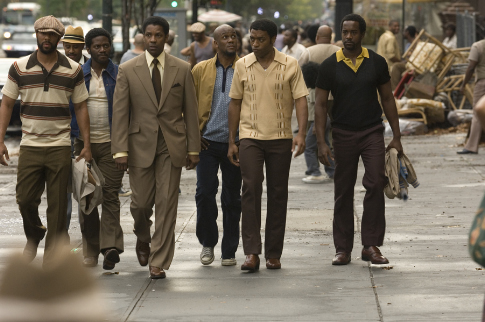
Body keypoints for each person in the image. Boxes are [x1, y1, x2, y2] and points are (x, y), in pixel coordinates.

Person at [111, 16, 200, 279]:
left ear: (166, 37)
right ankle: (142, 236)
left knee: (166, 203)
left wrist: (193, 148)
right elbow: (120, 113)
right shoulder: (128, 69)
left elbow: (191, 111)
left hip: (171, 145)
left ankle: (158, 260)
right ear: (143, 37)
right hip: (138, 145)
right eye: (148, 35)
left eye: (158, 35)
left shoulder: (182, 68)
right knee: (140, 205)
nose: (152, 40)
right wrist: (120, 150)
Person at [0, 15, 91, 268]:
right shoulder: (19, 67)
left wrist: (87, 144)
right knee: (25, 199)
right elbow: (7, 103)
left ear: (59, 38)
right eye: (43, 33)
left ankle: (51, 263)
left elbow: (81, 106)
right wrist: (0, 141)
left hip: (60, 146)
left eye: (52, 34)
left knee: (59, 207)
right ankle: (34, 233)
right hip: (30, 145)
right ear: (36, 34)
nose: (47, 38)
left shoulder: (73, 70)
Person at [314, 14, 403, 266]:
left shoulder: (376, 62)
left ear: (362, 35)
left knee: (375, 183)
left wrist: (396, 136)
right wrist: (321, 141)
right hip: (342, 134)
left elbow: (387, 99)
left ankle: (370, 245)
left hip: (372, 132)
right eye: (345, 32)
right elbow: (320, 105)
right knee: (343, 190)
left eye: (353, 32)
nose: (348, 37)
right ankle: (342, 248)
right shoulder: (330, 65)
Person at [228, 18, 308, 271]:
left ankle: (274, 253)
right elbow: (235, 103)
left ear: (274, 40)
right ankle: (252, 252)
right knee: (250, 190)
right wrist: (233, 139)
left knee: (277, 193)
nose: (255, 43)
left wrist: (301, 133)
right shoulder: (242, 65)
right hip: (250, 137)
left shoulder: (290, 64)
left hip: (280, 137)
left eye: (260, 39)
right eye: (252, 38)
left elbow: (301, 101)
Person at [69, 28, 125, 270]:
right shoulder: (78, 74)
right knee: (87, 197)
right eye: (97, 47)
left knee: (111, 195)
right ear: (88, 49)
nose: (102, 50)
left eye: (106, 46)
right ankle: (90, 249)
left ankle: (110, 247)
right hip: (83, 144)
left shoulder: (120, 75)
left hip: (113, 144)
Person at [192, 24, 242, 267]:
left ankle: (229, 250)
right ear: (215, 43)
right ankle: (208, 243)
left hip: (237, 144)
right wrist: (193, 135)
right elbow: (188, 105)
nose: (231, 40)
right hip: (207, 143)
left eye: (233, 36)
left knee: (232, 197)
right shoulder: (201, 69)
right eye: (225, 37)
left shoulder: (245, 68)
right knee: (204, 193)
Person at [298, 25, 340, 184]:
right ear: (331, 37)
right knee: (330, 134)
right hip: (335, 98)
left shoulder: (309, 52)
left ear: (317, 37)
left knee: (314, 133)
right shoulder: (339, 52)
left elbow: (298, 72)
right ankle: (332, 168)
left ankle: (315, 170)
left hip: (314, 99)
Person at [62, 25, 87, 230]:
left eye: (75, 47)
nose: (71, 51)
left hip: (85, 135)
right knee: (63, 187)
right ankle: (62, 236)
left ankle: (87, 236)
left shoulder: (90, 69)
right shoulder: (58, 68)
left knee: (85, 185)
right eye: (67, 46)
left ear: (83, 47)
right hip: (62, 135)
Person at [457, 38, 485, 154]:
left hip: (482, 82)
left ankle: (472, 146)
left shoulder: (478, 46)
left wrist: (463, 84)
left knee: (477, 112)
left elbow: (471, 67)